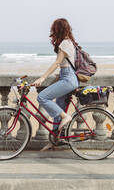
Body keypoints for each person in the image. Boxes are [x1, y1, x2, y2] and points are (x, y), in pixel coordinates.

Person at [32, 18, 79, 151]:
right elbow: (65, 66)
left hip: (68, 80)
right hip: (66, 77)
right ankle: (54, 141)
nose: (52, 31)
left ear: (58, 29)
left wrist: (43, 77)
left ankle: (66, 117)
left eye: (54, 29)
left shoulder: (65, 43)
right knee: (58, 109)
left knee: (42, 97)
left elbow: (57, 63)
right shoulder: (69, 42)